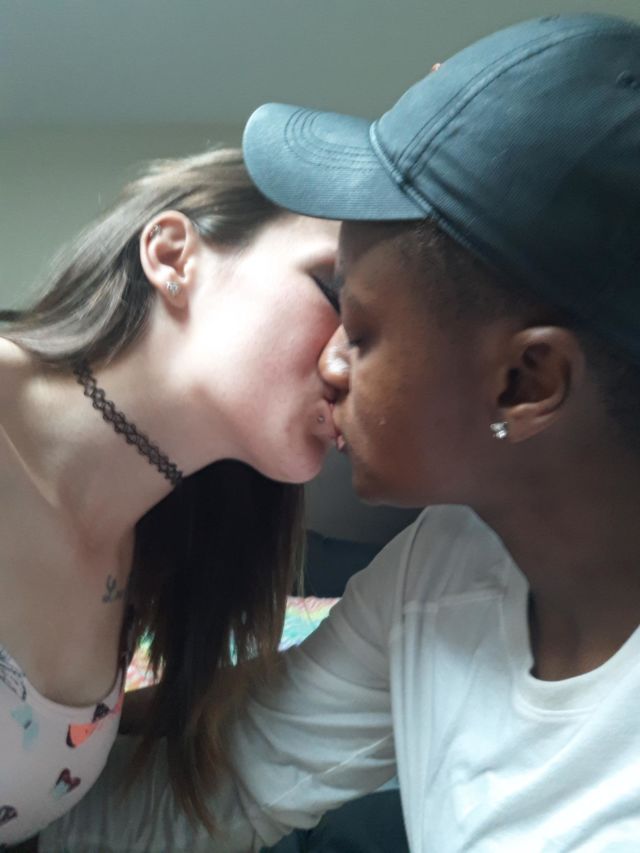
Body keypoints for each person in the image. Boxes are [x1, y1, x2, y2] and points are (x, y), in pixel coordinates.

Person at [39, 11, 640, 851]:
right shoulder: (442, 567)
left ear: (526, 382)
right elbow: (239, 772)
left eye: (357, 325)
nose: (328, 363)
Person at [0, 148, 341, 848]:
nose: (350, 362)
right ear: (172, 255)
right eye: (334, 292)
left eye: (376, 330)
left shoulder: (164, 547)